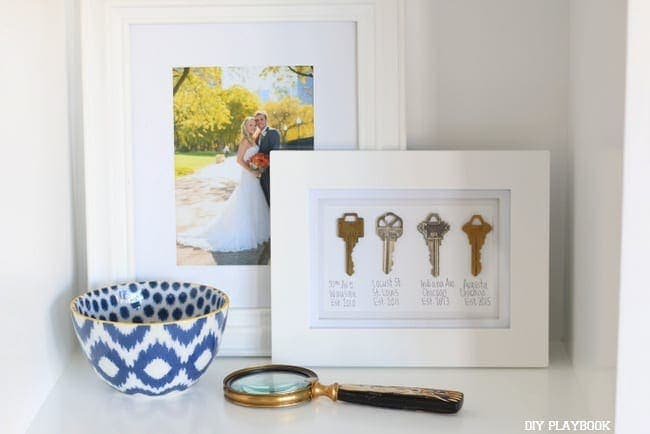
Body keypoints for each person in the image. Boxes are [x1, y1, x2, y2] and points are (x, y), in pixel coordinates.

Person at [177, 117, 270, 252]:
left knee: (253, 204)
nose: (253, 127)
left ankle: (256, 232)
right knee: (245, 204)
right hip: (248, 177)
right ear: (245, 126)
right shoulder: (245, 140)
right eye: (250, 125)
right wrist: (252, 171)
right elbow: (239, 160)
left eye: (254, 125)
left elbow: (252, 157)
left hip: (254, 177)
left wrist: (258, 165)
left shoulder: (253, 139)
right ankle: (243, 232)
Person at [255, 110, 281, 205]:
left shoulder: (273, 132)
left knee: (271, 198)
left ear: (266, 120)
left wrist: (264, 164)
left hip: (270, 172)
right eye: (257, 120)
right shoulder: (258, 136)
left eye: (261, 119)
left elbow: (275, 153)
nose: (259, 122)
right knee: (265, 197)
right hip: (262, 173)